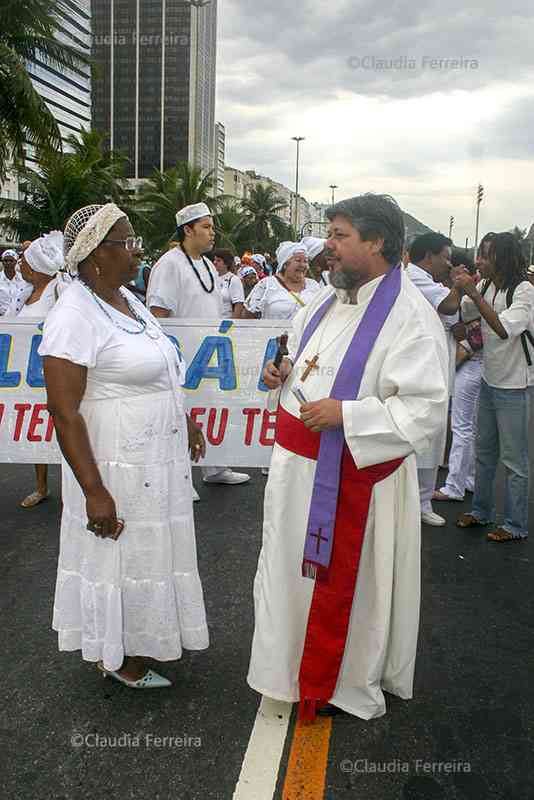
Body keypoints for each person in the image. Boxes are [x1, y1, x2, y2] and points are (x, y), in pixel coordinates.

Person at [247, 193, 448, 722]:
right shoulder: (327, 298)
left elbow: (425, 408)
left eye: (339, 237)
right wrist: (280, 372)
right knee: (286, 575)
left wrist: (349, 416)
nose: (327, 248)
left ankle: (340, 679)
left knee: (346, 589)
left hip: (356, 479)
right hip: (297, 471)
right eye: (329, 236)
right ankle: (289, 667)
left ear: (377, 242)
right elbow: (296, 356)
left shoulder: (411, 316)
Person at [39, 203, 209, 688]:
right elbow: (64, 411)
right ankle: (116, 654)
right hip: (114, 463)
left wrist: (186, 418)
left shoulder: (126, 299)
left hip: (152, 457)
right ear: (95, 256)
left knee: (147, 551)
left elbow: (160, 369)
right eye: (127, 243)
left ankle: (144, 635)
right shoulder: (72, 313)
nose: (138, 252)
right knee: (117, 552)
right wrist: (94, 490)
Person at [147, 202, 249, 488]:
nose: (212, 233)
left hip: (207, 354)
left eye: (212, 227)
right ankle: (180, 480)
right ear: (188, 230)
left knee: (210, 408)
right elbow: (158, 314)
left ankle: (215, 467)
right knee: (179, 415)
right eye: (206, 227)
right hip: (180, 356)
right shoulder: (169, 264)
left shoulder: (206, 265)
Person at [455, 232, 534, 542]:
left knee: (514, 460)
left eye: (486, 255)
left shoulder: (523, 290)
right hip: (490, 380)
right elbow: (454, 309)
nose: (480, 261)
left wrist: (473, 294)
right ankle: (481, 511)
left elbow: (502, 330)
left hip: (515, 385)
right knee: (485, 452)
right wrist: (457, 284)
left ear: (503, 258)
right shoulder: (486, 286)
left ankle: (515, 525)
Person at [406, 233, 463, 526]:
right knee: (426, 431)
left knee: (434, 433)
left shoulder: (426, 280)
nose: (449, 263)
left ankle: (422, 499)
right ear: (429, 256)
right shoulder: (414, 278)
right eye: (446, 256)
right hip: (425, 365)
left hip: (438, 361)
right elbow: (450, 307)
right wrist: (460, 285)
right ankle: (418, 501)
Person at [434, 238, 495, 503]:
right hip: (476, 362)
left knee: (462, 426)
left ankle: (454, 486)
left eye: (455, 268)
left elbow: (478, 334)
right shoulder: (484, 288)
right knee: (470, 427)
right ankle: (467, 480)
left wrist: (461, 351)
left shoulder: (477, 291)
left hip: (471, 362)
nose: (452, 272)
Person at [9, 231, 64, 509]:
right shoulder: (26, 292)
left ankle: (75, 489)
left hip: (56, 375)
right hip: (28, 377)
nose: (21, 267)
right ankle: (41, 486)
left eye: (27, 265)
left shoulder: (60, 289)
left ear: (40, 269)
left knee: (65, 429)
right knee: (36, 429)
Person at [242, 242, 321, 320]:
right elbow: (247, 316)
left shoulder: (313, 285)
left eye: (305, 261)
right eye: (298, 260)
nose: (303, 265)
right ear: (285, 264)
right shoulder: (266, 284)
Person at [212, 248, 245, 318]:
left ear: (226, 263)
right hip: (210, 323)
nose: (214, 262)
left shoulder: (234, 279)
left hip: (225, 324)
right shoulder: (211, 278)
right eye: (214, 260)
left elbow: (239, 305)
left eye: (218, 260)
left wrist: (231, 327)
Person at [0, 248, 32, 316]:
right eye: (5, 260)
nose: (8, 263)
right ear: (2, 262)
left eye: (11, 260)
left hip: (19, 317)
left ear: (16, 262)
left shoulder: (23, 279)